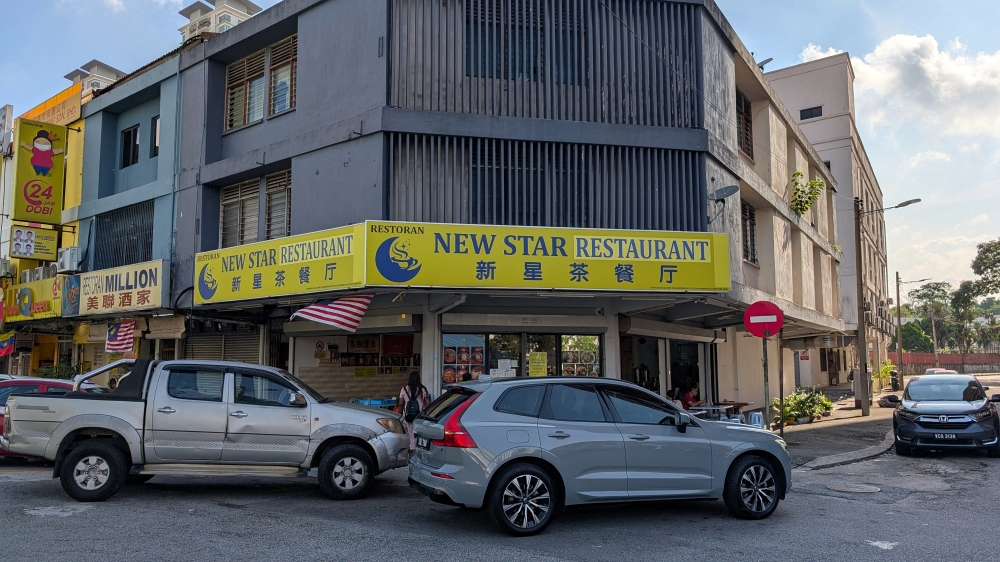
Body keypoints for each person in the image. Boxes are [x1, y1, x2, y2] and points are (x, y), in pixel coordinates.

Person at [399, 372, 429, 455]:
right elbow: (427, 403)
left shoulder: (404, 389)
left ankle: (411, 450)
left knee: (409, 432)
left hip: (407, 416)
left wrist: (399, 415)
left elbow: (401, 404)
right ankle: (418, 449)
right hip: (419, 416)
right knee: (419, 433)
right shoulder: (422, 389)